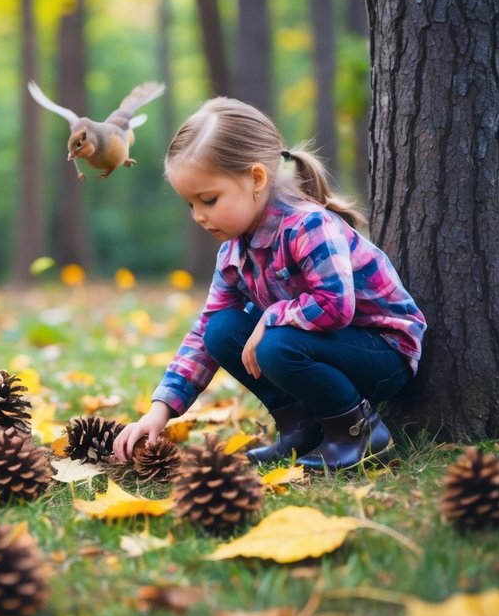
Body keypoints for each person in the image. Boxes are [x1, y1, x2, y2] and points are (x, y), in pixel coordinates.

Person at [113, 98, 426, 471]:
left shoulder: (309, 226)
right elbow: (202, 335)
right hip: (318, 351)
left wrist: (273, 316)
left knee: (276, 343)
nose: (198, 216)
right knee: (221, 329)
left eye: (209, 200)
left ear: (257, 179)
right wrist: (160, 410)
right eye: (190, 205)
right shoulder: (233, 252)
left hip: (383, 354)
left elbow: (335, 306)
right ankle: (302, 428)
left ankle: (357, 431)